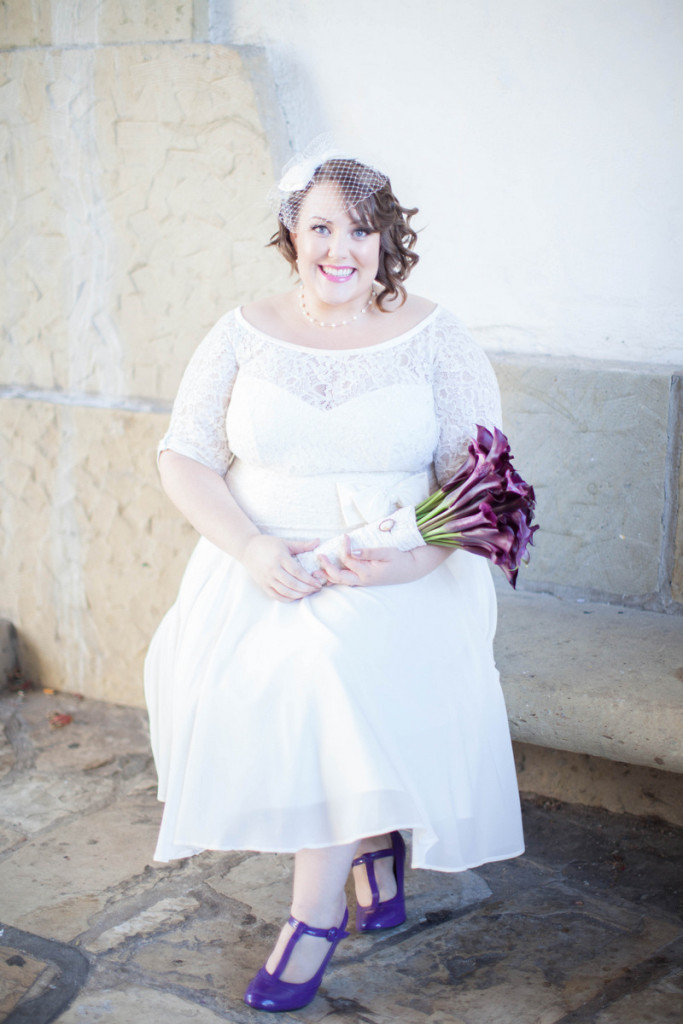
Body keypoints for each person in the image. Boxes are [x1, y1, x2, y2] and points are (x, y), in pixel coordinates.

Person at [144, 143, 524, 1013]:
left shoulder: (437, 337)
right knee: (285, 674)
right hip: (261, 562)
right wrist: (248, 549)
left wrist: (414, 560)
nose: (339, 248)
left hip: (396, 574)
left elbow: (479, 484)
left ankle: (311, 918)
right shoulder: (240, 329)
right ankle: (373, 839)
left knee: (327, 674)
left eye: (361, 228)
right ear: (290, 230)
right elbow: (186, 457)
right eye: (320, 226)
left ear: (388, 240)